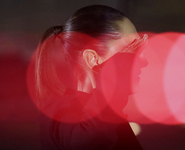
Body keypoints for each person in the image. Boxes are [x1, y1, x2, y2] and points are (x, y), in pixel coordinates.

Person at [35, 5, 148, 150]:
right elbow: (90, 141)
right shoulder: (64, 113)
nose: (144, 61)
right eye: (132, 49)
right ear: (92, 59)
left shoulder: (104, 114)